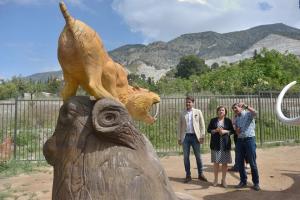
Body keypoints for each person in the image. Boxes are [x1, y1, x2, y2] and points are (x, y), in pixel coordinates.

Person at [178, 96, 207, 183]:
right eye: (187, 102)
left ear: (193, 103)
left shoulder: (198, 112)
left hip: (195, 137)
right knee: (186, 157)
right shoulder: (182, 113)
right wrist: (179, 138)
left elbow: (202, 125)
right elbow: (179, 126)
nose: (188, 104)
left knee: (198, 156)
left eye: (189, 102)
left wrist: (202, 136)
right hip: (185, 137)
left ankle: (201, 174)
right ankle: (188, 175)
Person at [231, 102, 260, 191]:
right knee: (240, 162)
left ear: (241, 107)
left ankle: (256, 183)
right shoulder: (236, 118)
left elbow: (256, 112)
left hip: (249, 140)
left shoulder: (248, 114)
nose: (235, 110)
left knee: (252, 162)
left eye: (236, 108)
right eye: (233, 109)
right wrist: (236, 130)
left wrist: (246, 106)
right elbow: (236, 130)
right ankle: (243, 181)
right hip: (240, 141)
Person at [207, 105, 234, 187]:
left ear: (225, 112)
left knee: (225, 163)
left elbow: (232, 131)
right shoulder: (213, 120)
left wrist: (225, 131)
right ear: (217, 112)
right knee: (216, 163)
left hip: (225, 144)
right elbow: (208, 130)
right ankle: (215, 180)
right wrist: (215, 130)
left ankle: (224, 180)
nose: (221, 111)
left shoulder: (228, 121)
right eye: (219, 110)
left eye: (222, 110)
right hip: (216, 144)